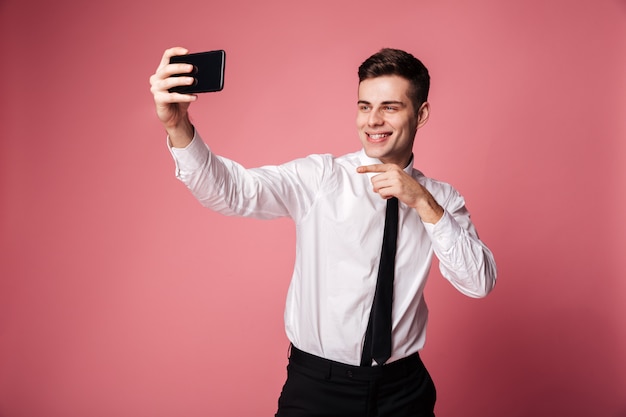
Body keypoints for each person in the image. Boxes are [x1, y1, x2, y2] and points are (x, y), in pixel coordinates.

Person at [150, 46, 497, 417]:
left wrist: (424, 204)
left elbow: (478, 283)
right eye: (365, 106)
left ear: (421, 113)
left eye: (390, 107)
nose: (373, 121)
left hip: (404, 391)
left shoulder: (441, 199)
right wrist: (178, 126)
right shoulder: (321, 178)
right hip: (318, 388)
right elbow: (232, 192)